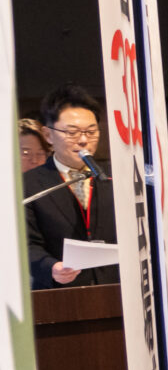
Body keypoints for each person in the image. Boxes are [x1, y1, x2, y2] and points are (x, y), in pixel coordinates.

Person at [25, 83, 116, 289]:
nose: (83, 140)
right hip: (59, 293)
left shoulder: (114, 177)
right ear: (48, 135)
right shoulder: (29, 184)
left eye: (91, 131)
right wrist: (51, 267)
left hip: (115, 289)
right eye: (72, 132)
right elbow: (26, 243)